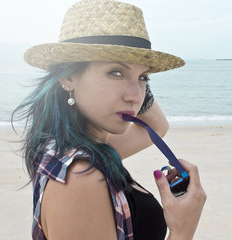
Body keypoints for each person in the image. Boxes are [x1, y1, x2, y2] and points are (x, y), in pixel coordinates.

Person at [13, 0, 206, 239]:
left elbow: (157, 127)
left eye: (144, 77)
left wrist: (133, 82)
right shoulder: (79, 177)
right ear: (69, 77)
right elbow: (157, 125)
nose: (135, 96)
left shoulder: (74, 146)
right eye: (115, 72)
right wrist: (183, 229)